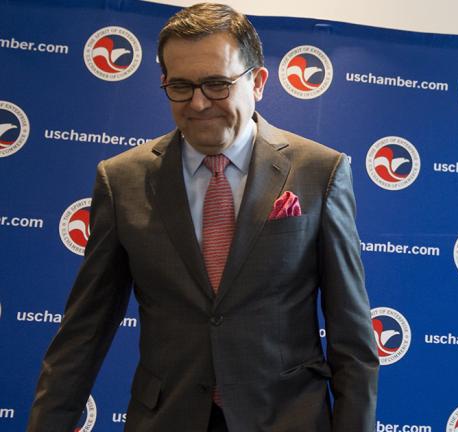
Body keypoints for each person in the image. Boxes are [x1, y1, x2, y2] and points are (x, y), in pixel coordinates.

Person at [27, 3, 378, 431]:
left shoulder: (320, 172)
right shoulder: (121, 180)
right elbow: (83, 335)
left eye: (216, 84)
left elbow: (353, 341)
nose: (197, 103)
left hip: (287, 418)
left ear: (259, 82)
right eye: (180, 86)